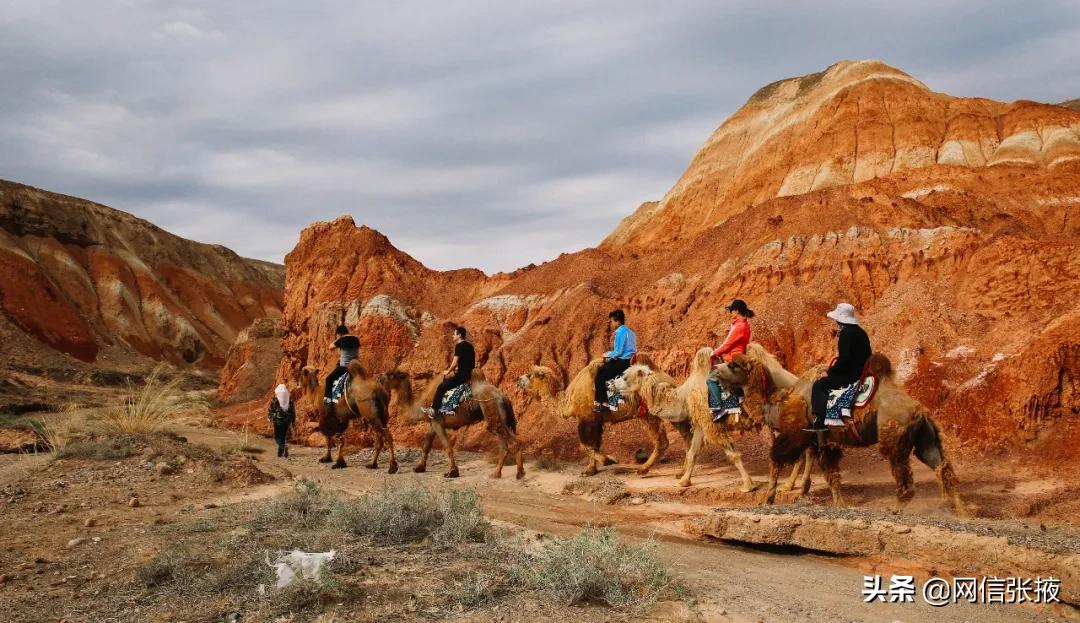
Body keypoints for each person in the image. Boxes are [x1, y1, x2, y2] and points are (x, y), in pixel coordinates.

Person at [806, 302, 872, 433]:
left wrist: (830, 372)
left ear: (839, 319)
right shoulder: (861, 332)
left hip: (850, 375)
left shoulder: (846, 333)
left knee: (819, 385)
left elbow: (844, 359)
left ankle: (820, 422)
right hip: (862, 372)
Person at [708, 300, 754, 421]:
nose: (730, 313)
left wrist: (714, 353)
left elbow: (727, 345)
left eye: (731, 310)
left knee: (711, 378)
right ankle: (738, 395)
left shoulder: (739, 326)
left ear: (737, 311)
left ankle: (720, 407)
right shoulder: (741, 324)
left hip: (733, 361)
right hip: (734, 359)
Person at [423, 326, 476, 418]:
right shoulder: (470, 345)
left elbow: (454, 362)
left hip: (461, 376)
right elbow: (471, 362)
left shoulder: (459, 346)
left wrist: (448, 371)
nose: (452, 336)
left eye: (454, 334)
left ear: (459, 335)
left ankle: (434, 410)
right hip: (470, 374)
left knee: (441, 387)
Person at [594, 309, 637, 413]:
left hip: (623, 362)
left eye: (612, 321)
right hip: (629, 361)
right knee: (609, 368)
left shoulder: (620, 332)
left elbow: (618, 351)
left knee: (600, 374)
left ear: (618, 322)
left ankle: (603, 403)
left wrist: (606, 354)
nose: (612, 324)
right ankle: (614, 398)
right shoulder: (631, 332)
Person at [324, 325, 360, 417]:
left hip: (345, 368)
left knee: (328, 379)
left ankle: (328, 403)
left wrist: (338, 339)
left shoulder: (341, 340)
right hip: (356, 367)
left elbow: (330, 347)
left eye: (338, 334)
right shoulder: (356, 339)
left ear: (339, 334)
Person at [268, 383, 296, 458]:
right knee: (283, 436)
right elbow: (293, 411)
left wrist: (269, 417)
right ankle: (280, 453)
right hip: (287, 421)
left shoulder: (275, 399)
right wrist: (293, 422)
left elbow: (271, 409)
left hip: (277, 420)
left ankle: (283, 448)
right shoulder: (290, 400)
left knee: (277, 436)